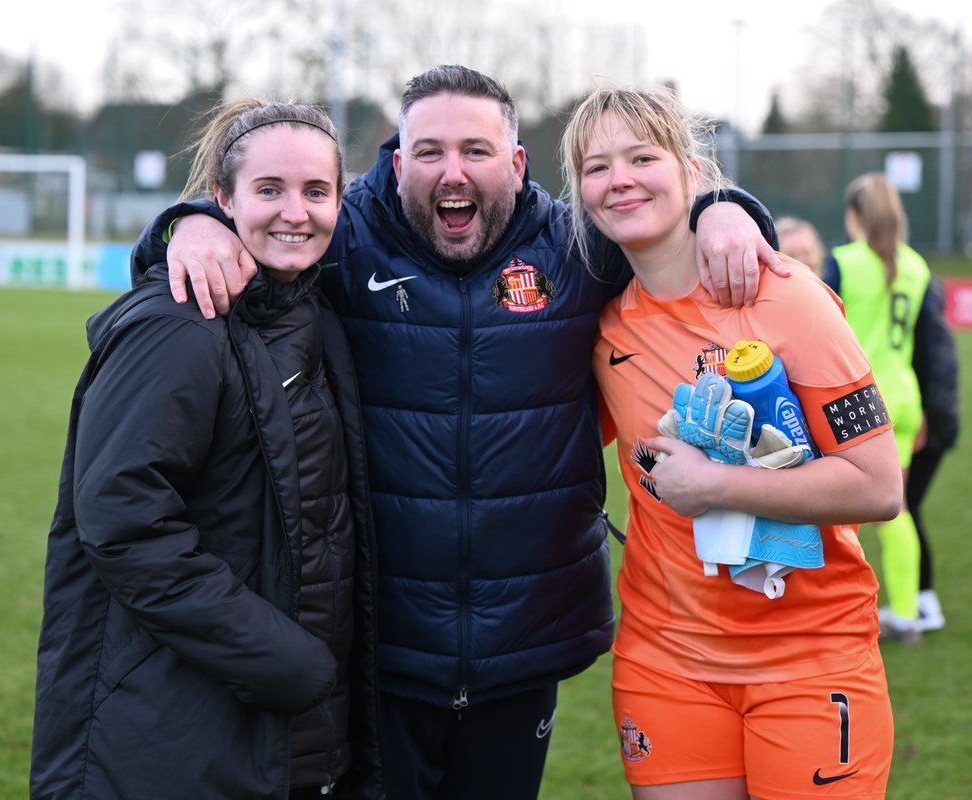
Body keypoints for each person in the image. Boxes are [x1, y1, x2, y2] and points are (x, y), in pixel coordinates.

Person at [131, 65, 784, 799]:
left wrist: (724, 207)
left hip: (525, 642)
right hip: (380, 646)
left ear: (517, 163)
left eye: (476, 150)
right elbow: (266, 214)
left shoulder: (575, 250)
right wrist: (186, 224)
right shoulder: (347, 241)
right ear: (398, 161)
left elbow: (658, 220)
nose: (453, 172)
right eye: (431, 151)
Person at [31, 100, 383, 799]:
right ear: (222, 198)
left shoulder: (314, 310)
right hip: (173, 727)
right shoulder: (178, 323)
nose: (295, 212)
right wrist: (287, 662)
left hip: (283, 731)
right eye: (269, 189)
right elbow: (124, 521)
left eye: (317, 192)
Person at [560, 83, 903, 799]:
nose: (618, 179)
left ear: (692, 168)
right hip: (665, 664)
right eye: (596, 168)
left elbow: (878, 485)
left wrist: (718, 486)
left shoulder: (786, 295)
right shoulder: (606, 330)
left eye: (642, 157)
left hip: (810, 659)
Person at [825, 172, 934, 643]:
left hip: (860, 401)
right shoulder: (917, 266)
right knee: (898, 508)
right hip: (906, 395)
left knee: (837, 512)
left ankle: (837, 614)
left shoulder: (845, 262)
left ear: (854, 215)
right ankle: (907, 613)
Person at [905, 272, 960, 632]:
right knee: (906, 507)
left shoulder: (924, 316)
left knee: (905, 507)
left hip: (925, 425)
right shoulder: (922, 305)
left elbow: (936, 366)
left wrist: (927, 417)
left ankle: (922, 600)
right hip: (926, 419)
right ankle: (921, 599)